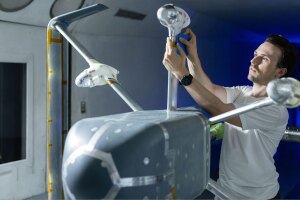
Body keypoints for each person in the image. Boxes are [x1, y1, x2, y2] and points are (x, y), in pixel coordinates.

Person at [162, 29, 298, 200]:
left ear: (280, 72)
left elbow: (218, 110)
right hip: (225, 190)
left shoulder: (274, 108)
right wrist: (192, 56)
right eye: (256, 54)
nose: (253, 61)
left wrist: (181, 73)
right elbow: (208, 89)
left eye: (264, 59)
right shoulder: (243, 92)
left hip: (258, 196)